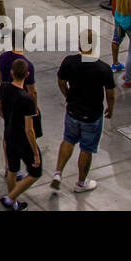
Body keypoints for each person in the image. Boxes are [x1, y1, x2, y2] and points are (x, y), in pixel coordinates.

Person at [51, 28, 115, 193]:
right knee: (87, 148)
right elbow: (110, 93)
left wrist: (68, 95)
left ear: (80, 44)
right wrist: (110, 108)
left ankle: (58, 173)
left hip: (72, 111)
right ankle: (81, 183)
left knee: (68, 139)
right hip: (92, 116)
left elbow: (61, 80)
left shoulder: (69, 62)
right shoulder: (103, 69)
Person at [0, 57, 41, 210]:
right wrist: (35, 152)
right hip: (22, 140)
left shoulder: (4, 88)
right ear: (27, 75)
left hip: (9, 135)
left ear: (11, 73)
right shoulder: (27, 99)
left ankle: (13, 203)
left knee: (13, 169)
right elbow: (29, 130)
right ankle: (10, 198)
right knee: (35, 172)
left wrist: (8, 118)